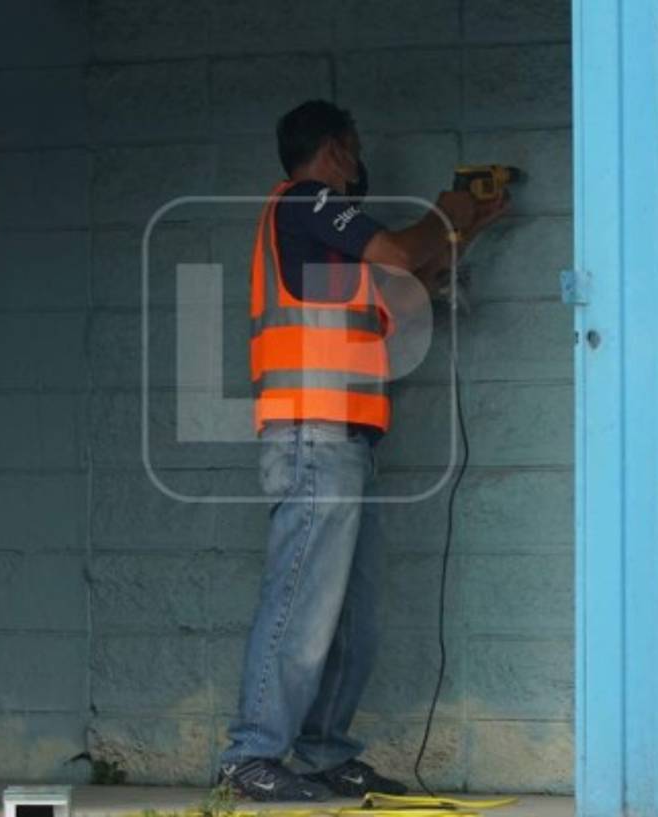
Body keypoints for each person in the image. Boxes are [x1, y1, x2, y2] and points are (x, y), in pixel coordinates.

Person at [217, 100, 507, 802]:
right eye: (355, 149)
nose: (359, 165)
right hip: (312, 436)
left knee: (351, 614)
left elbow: (414, 285)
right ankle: (252, 754)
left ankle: (322, 752)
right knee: (301, 602)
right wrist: (442, 214)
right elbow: (405, 251)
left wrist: (467, 226)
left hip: (347, 441)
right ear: (336, 151)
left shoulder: (328, 253)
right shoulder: (307, 204)